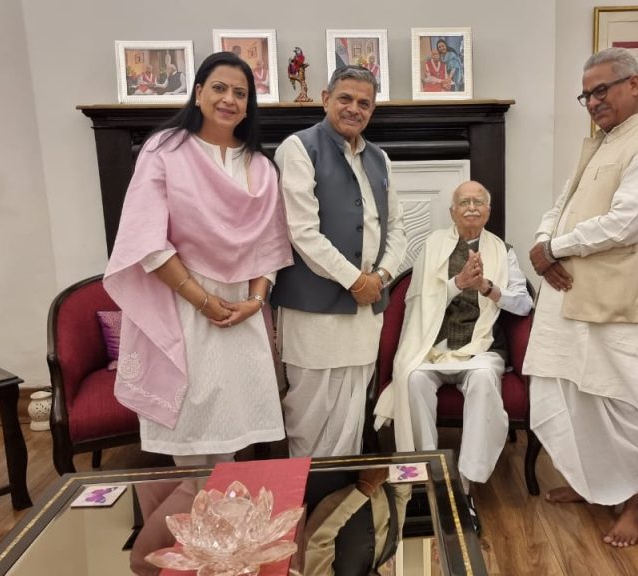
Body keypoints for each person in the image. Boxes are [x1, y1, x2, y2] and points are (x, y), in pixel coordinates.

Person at [524, 47, 638, 548]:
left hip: (619, 300)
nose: (592, 101)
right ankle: (591, 482)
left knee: (621, 401)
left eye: (602, 90)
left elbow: (627, 223)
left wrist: (554, 248)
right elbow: (562, 203)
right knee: (574, 394)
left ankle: (635, 503)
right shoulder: (599, 141)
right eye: (586, 93)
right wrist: (544, 240)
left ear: (634, 85)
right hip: (571, 296)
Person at [104, 51, 293, 468]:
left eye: (240, 93)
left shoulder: (260, 166)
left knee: (234, 430)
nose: (229, 99)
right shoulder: (164, 150)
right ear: (198, 92)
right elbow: (148, 242)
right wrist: (201, 300)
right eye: (220, 88)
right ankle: (194, 512)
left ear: (248, 106)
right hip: (184, 305)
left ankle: (222, 517)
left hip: (242, 310)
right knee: (191, 430)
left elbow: (269, 247)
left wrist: (256, 302)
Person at [272, 65, 406, 458]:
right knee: (309, 414)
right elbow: (302, 233)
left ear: (373, 109)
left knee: (353, 413)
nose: (354, 108)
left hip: (366, 311)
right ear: (325, 97)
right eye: (345, 98)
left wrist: (380, 277)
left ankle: (339, 506)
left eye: (364, 103)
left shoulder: (380, 158)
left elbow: (396, 228)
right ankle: (308, 505)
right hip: (314, 314)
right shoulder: (298, 148)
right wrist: (355, 280)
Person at [373, 181, 532, 508]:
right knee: (414, 379)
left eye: (478, 202)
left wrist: (487, 287)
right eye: (464, 202)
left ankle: (464, 484)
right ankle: (430, 474)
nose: (471, 207)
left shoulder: (504, 251)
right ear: (452, 212)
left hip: (482, 349)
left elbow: (523, 306)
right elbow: (417, 301)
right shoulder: (432, 246)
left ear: (488, 211)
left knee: (485, 381)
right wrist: (457, 284)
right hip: (434, 347)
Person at [300, 467, 410, 576]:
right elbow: (402, 496)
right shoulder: (390, 548)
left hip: (329, 467)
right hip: (379, 458)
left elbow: (317, 539)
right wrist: (393, 471)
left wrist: (365, 487)